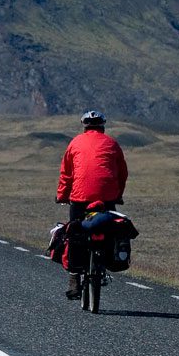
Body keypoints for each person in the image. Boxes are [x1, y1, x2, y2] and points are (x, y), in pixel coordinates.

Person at [57, 110, 128, 299]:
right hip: (107, 198)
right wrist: (117, 195)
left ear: (85, 126)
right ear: (102, 127)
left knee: (73, 233)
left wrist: (62, 195)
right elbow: (122, 173)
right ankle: (103, 263)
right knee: (109, 230)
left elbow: (66, 174)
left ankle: (73, 278)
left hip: (80, 198)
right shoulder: (112, 143)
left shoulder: (75, 143)